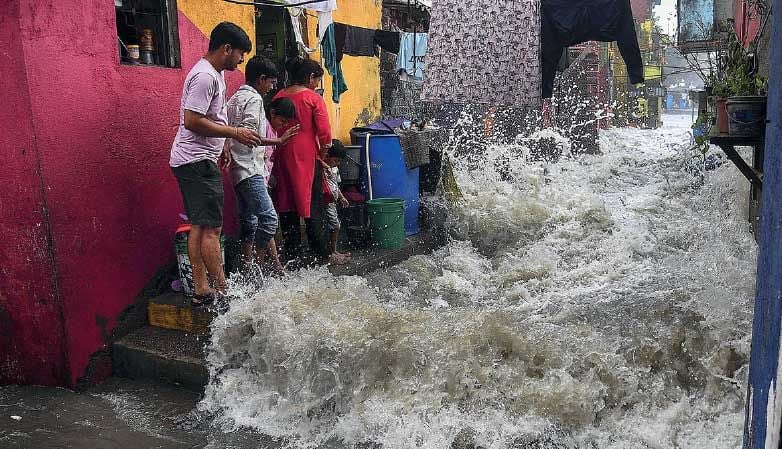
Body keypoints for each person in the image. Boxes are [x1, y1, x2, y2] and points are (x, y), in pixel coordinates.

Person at [169, 22, 258, 307]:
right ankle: (223, 291)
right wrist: (234, 133)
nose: (241, 60)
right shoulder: (205, 77)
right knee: (212, 229)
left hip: (196, 159)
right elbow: (192, 120)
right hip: (195, 162)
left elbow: (213, 117)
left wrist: (226, 145)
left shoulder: (214, 74)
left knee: (199, 225)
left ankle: (202, 289)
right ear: (226, 48)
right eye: (240, 54)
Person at [225, 55, 300, 278]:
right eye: (271, 83)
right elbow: (248, 135)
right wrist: (278, 141)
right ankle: (256, 269)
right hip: (250, 168)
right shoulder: (255, 100)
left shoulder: (233, 99)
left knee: (249, 221)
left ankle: (248, 271)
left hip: (237, 170)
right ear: (261, 79)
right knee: (268, 219)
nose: (271, 88)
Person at [270, 57, 350, 266]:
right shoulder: (313, 99)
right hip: (306, 157)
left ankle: (292, 254)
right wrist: (321, 157)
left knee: (287, 205)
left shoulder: (279, 95)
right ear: (310, 77)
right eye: (317, 80)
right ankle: (324, 253)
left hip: (281, 152)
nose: (317, 85)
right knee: (313, 205)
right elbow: (325, 135)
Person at [322, 140, 351, 261]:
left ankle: (333, 251)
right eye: (335, 160)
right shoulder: (322, 168)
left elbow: (335, 185)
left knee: (334, 226)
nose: (337, 163)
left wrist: (342, 197)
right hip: (325, 202)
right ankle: (331, 252)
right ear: (327, 156)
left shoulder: (334, 169)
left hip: (333, 202)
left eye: (339, 161)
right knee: (335, 226)